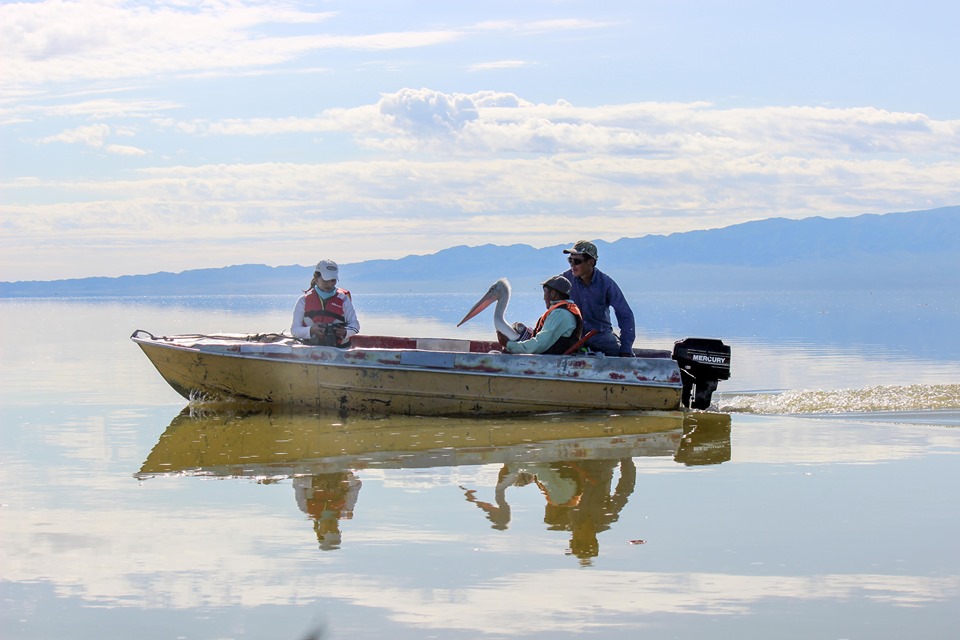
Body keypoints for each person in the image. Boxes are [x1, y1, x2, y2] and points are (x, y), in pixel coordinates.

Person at [561, 240, 636, 356]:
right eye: (570, 260)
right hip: (572, 338)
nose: (572, 265)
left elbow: (625, 315)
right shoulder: (563, 281)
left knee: (623, 358)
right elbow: (553, 310)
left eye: (577, 261)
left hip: (601, 337)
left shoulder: (606, 283)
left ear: (591, 262)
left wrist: (626, 348)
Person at [502, 275, 583, 355]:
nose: (544, 298)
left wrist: (508, 344)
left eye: (545, 292)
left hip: (553, 361)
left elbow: (539, 344)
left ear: (553, 294)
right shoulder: (563, 310)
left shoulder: (560, 313)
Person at [291, 259, 360, 347]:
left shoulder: (344, 299)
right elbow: (294, 330)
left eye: (333, 280)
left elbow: (355, 324)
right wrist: (310, 330)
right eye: (326, 280)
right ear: (316, 278)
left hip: (339, 350)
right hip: (310, 351)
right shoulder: (303, 301)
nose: (330, 284)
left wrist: (346, 332)